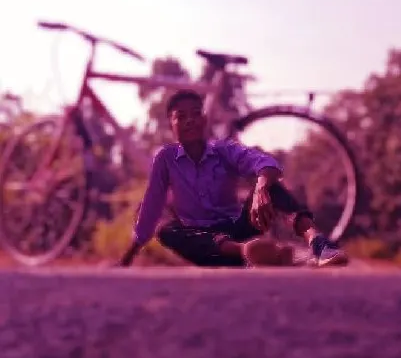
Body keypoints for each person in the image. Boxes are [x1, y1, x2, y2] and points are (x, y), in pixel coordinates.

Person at [117, 89, 348, 268]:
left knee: (272, 186)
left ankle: (319, 244)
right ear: (171, 124)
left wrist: (260, 188)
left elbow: (265, 163)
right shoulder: (165, 159)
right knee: (165, 229)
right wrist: (126, 259)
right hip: (206, 245)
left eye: (196, 114)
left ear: (204, 119)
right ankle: (250, 252)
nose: (190, 121)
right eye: (181, 116)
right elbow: (151, 209)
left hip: (237, 227)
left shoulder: (224, 150)